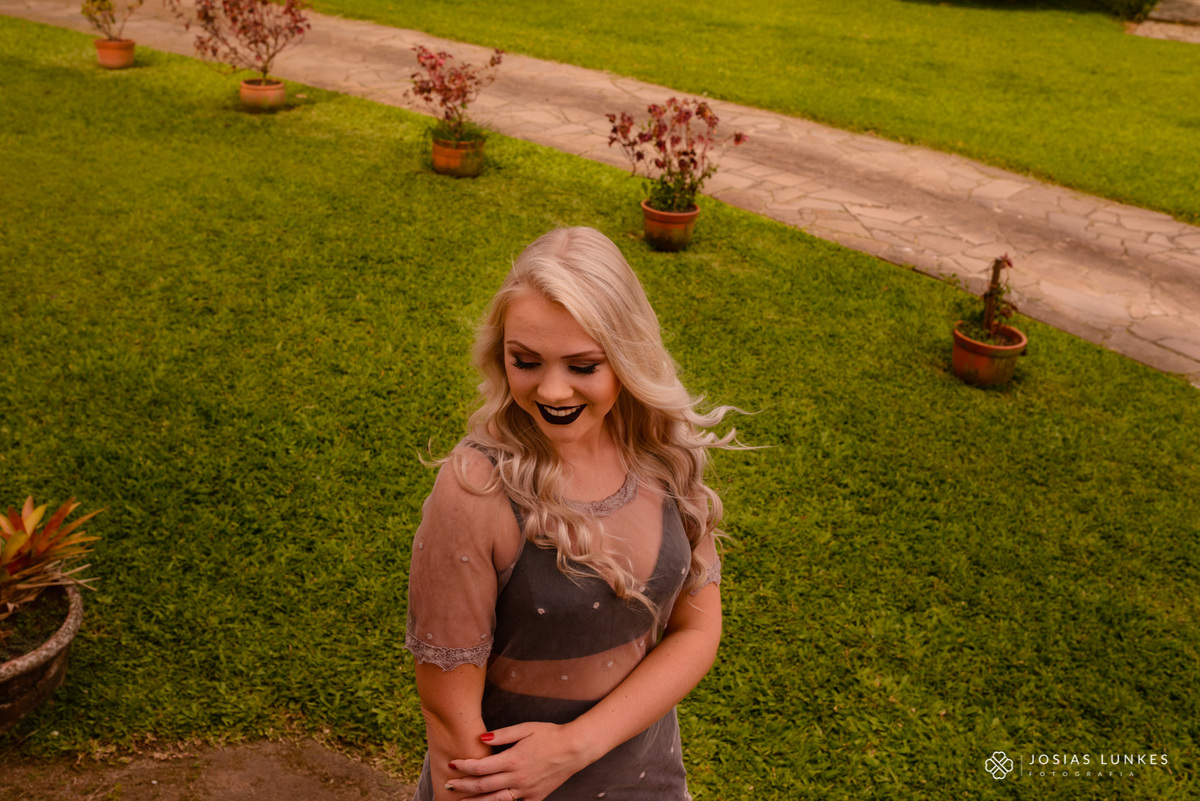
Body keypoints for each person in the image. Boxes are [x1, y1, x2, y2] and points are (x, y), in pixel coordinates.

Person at [405, 227, 742, 801]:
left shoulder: (665, 456)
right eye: (526, 361)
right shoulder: (476, 489)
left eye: (583, 366)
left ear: (628, 356)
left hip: (648, 781)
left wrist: (576, 745)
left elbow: (697, 628)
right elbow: (448, 718)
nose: (552, 391)